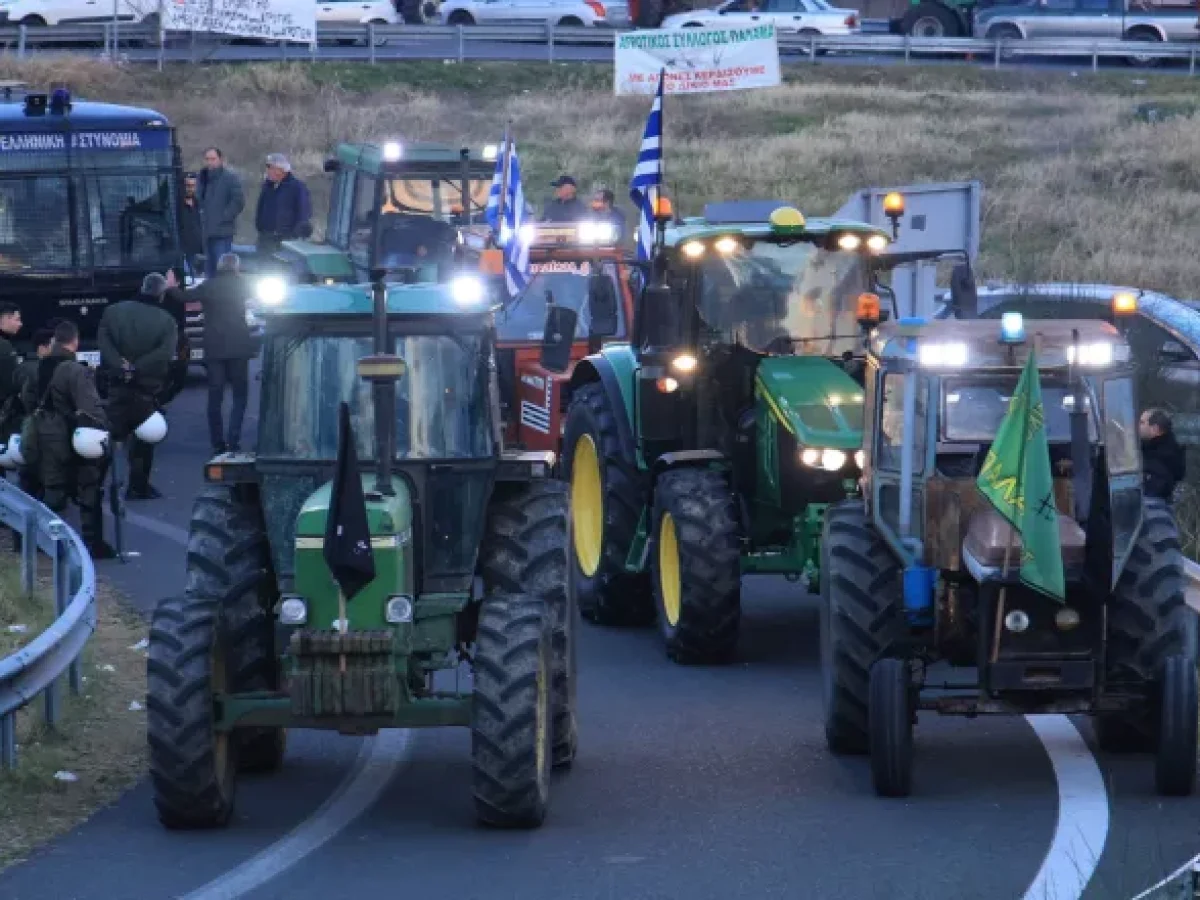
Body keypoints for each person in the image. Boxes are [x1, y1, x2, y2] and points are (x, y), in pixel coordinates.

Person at [21, 321, 115, 559]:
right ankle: (93, 544)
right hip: (69, 435)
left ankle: (39, 542)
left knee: (52, 489)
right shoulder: (74, 370)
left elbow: (27, 399)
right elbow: (90, 408)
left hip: (42, 434)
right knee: (88, 487)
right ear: (74, 341)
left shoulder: (37, 367)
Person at [97, 272, 179, 500]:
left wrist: (120, 365)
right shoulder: (166, 321)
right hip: (146, 388)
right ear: (161, 294)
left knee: (108, 436)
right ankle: (138, 486)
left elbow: (104, 343)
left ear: (142, 288)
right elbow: (164, 354)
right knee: (144, 439)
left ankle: (95, 484)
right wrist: (136, 367)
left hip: (116, 385)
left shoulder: (113, 312)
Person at [193, 253, 257, 455]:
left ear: (219, 267)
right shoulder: (245, 285)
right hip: (239, 347)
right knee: (240, 396)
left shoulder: (208, 286)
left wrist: (168, 286)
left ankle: (217, 443)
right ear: (237, 267)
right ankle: (234, 439)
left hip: (215, 349)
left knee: (215, 396)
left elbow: (183, 296)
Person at [198, 147, 245, 280]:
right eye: (207, 159)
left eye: (213, 159)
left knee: (223, 269)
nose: (210, 162)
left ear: (220, 159)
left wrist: (224, 217)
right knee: (209, 271)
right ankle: (210, 297)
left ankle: (224, 296)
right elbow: (199, 201)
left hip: (222, 232)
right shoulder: (202, 178)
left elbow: (238, 202)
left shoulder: (230, 178)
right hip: (206, 232)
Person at [255, 153, 313, 254]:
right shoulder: (267, 187)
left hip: (286, 241)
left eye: (271, 168)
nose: (268, 171)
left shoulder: (297, 187)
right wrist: (260, 227)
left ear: (281, 170)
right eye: (268, 168)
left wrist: (295, 234)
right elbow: (260, 208)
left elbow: (304, 212)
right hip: (265, 239)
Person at [1139, 408, 1185, 502]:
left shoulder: (1165, 458)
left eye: (1142, 423)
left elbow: (1154, 491)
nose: (1138, 426)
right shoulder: (1148, 448)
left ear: (1155, 429)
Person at [180, 171, 204, 279]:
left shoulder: (200, 204)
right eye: (187, 185)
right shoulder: (176, 205)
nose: (190, 188)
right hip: (182, 251)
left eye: (193, 185)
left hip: (198, 252)